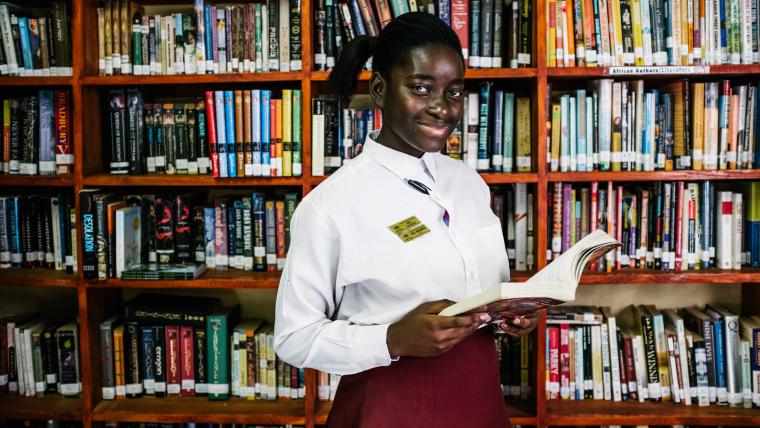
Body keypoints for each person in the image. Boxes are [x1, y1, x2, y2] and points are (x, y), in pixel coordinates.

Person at [274, 12, 538, 427]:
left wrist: (512, 315)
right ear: (379, 88)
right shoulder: (331, 205)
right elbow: (294, 339)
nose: (441, 108)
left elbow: (476, 291)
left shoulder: (468, 183)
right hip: (388, 402)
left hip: (479, 395)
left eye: (454, 92)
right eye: (421, 88)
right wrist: (391, 338)